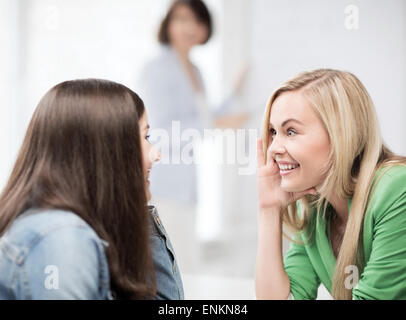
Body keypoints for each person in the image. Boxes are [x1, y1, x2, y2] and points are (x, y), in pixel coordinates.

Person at [0, 79, 184, 300]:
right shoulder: (62, 239)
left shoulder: (75, 233)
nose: (156, 154)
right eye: (145, 137)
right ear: (105, 151)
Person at [255, 69, 406, 300]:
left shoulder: (396, 188)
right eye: (273, 132)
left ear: (340, 134)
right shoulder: (312, 205)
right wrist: (269, 208)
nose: (274, 147)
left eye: (291, 131)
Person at [138, 0, 248, 273]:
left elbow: (203, 116)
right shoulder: (156, 69)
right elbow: (161, 132)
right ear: (168, 24)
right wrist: (217, 123)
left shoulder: (195, 70)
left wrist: (235, 93)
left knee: (186, 264)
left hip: (187, 186)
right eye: (181, 19)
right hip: (163, 183)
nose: (190, 27)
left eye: (197, 21)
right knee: (171, 267)